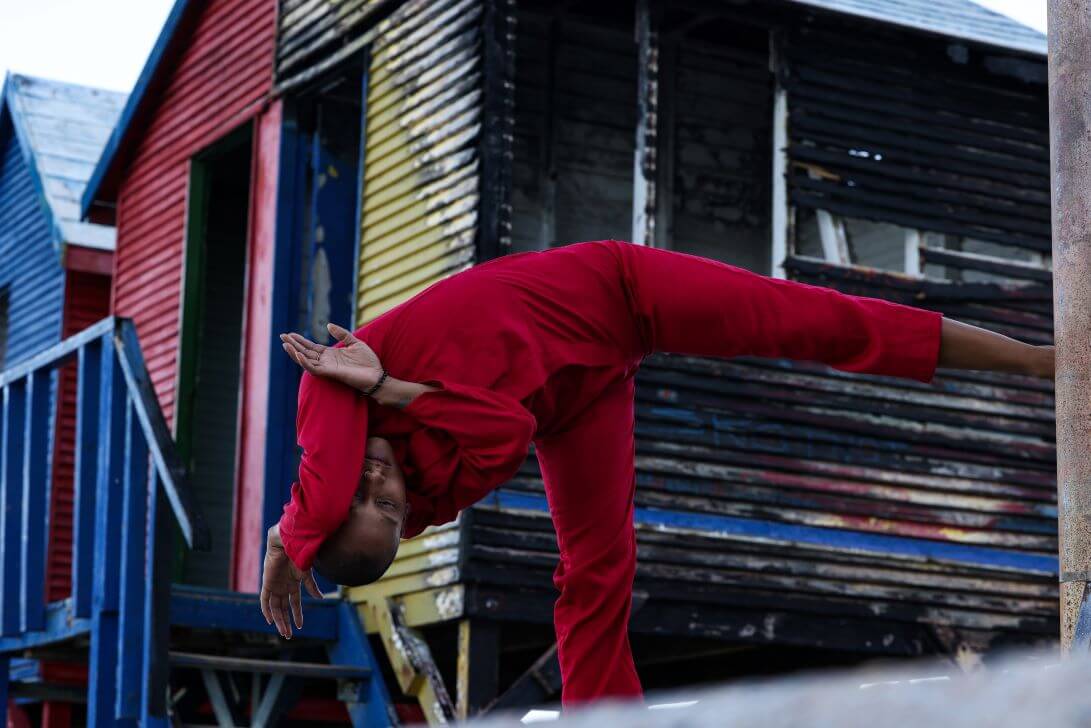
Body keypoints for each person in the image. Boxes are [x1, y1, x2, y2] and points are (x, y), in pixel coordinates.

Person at [258, 239, 1054, 705]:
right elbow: (512, 427)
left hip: (619, 290)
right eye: (386, 504)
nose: (376, 478)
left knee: (813, 322)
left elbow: (326, 485)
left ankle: (1035, 360)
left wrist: (283, 544)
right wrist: (397, 390)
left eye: (367, 489)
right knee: (595, 570)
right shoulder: (424, 483)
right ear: (406, 520)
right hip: (581, 397)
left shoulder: (328, 401)